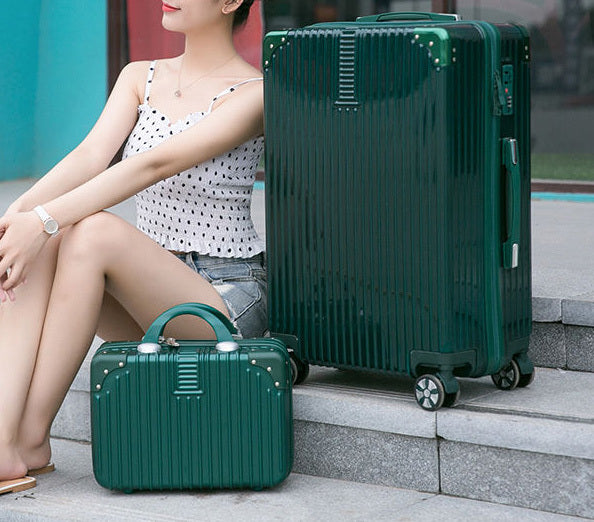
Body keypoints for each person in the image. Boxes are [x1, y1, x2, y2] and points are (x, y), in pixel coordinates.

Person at [0, 0, 265, 494]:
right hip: (145, 294)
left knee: (86, 231)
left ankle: (28, 438)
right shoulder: (139, 76)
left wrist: (43, 221)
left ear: (231, 2)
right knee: (39, 242)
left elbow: (152, 165)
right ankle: (7, 437)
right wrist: (15, 222)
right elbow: (89, 157)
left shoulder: (255, 94)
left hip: (221, 299)